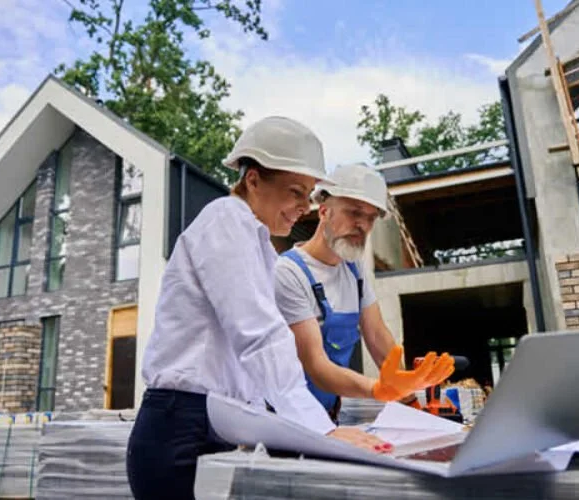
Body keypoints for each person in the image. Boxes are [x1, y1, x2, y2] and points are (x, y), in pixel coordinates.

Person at [127, 118, 438, 500]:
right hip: (179, 427)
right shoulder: (226, 222)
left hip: (211, 424)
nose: (303, 208)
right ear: (253, 180)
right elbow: (260, 337)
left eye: (308, 194)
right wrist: (320, 431)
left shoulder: (258, 243)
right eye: (295, 192)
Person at [274, 163, 454, 422]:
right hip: (286, 421)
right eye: (354, 212)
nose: (363, 225)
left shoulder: (354, 269)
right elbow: (316, 366)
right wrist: (377, 389)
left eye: (370, 217)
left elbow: (379, 337)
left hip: (327, 416)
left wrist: (408, 394)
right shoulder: (289, 273)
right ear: (324, 210)